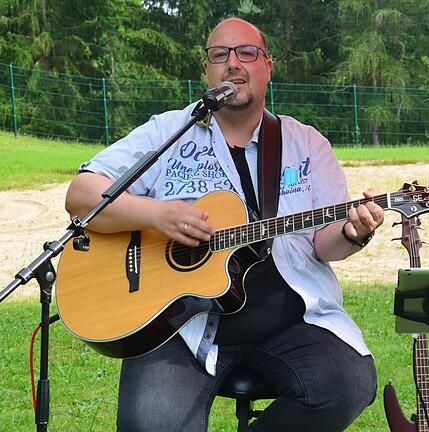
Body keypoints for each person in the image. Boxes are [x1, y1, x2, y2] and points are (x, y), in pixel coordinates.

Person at [65, 17, 383, 431]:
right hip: (178, 325)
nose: (233, 63)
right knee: (151, 425)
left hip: (289, 321)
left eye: (246, 53)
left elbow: (324, 245)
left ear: (267, 66)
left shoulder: (306, 144)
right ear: (207, 70)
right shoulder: (168, 132)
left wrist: (351, 232)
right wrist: (157, 215)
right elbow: (81, 194)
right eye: (220, 55)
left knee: (348, 384)